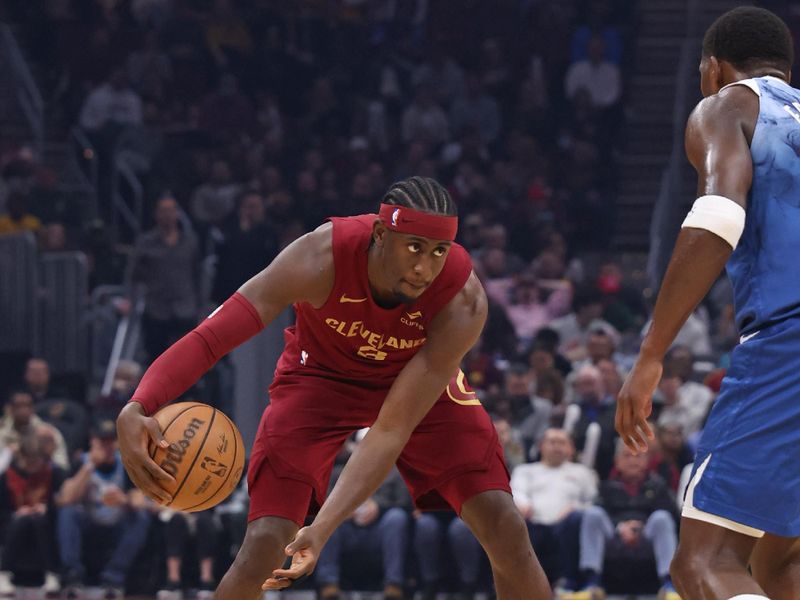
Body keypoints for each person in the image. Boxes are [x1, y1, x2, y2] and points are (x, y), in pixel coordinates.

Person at [117, 176, 550, 599]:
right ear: (381, 234)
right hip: (319, 379)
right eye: (414, 248)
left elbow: (389, 430)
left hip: (413, 384)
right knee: (266, 543)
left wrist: (322, 528)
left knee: (504, 523)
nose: (425, 267)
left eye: (439, 251)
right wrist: (140, 403)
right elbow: (214, 336)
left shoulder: (463, 301)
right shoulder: (319, 256)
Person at [616, 7, 800, 599]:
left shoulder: (728, 105)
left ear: (713, 68)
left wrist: (650, 354)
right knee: (781, 562)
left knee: (703, 562)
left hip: (788, 340)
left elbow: (720, 213)